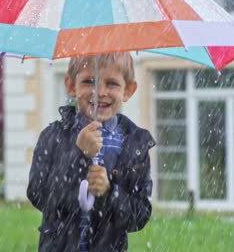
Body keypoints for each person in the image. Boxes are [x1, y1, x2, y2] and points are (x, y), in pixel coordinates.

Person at [27, 53, 155, 252]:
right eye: (88, 81)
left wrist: (109, 191)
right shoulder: (53, 136)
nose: (99, 92)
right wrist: (79, 156)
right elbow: (39, 194)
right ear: (71, 86)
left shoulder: (134, 143)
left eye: (111, 84)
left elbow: (139, 216)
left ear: (128, 90)